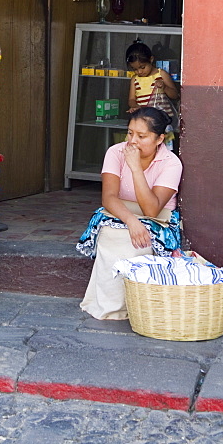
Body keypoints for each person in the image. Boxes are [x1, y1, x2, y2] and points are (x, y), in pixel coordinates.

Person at [77, 106, 183, 321]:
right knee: (112, 235)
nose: (132, 141)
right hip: (120, 213)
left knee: (137, 243)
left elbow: (152, 209)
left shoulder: (171, 163)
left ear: (159, 139)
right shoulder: (115, 152)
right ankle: (107, 307)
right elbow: (109, 197)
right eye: (130, 133)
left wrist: (135, 168)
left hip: (158, 219)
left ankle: (133, 307)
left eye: (142, 136)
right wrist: (131, 221)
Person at [126, 42, 180, 112]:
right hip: (144, 116)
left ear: (151, 59)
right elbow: (131, 99)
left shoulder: (161, 74)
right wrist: (135, 106)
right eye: (135, 69)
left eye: (142, 67)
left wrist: (165, 87)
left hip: (162, 117)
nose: (139, 72)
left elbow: (175, 95)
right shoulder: (135, 79)